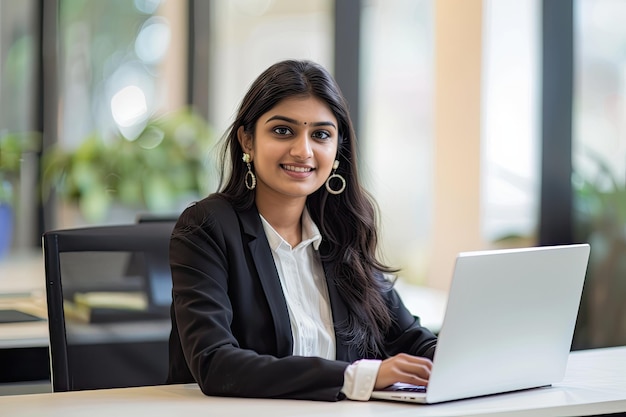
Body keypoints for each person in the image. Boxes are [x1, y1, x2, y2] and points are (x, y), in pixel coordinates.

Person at [167, 59, 437, 401]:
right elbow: (215, 363)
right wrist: (359, 376)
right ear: (247, 140)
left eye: (321, 135)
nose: (303, 151)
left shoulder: (343, 232)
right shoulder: (206, 228)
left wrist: (451, 358)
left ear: (337, 149)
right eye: (283, 130)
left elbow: (408, 337)